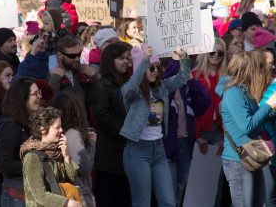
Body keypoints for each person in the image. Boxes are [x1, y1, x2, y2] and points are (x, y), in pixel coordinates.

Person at [120, 45, 190, 207]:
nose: (154, 71)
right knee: (142, 203)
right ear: (141, 69)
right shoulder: (131, 92)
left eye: (157, 68)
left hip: (159, 150)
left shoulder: (162, 87)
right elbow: (131, 85)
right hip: (137, 151)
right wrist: (145, 60)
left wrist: (184, 58)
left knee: (168, 202)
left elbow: (183, 77)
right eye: (150, 68)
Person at [217, 51, 276, 206]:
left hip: (251, 156)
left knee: (258, 202)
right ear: (247, 70)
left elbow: (256, 121)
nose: (260, 70)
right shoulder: (233, 93)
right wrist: (270, 105)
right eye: (257, 67)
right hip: (238, 161)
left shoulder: (244, 90)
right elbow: (247, 126)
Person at [162, 58, 211, 207]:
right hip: (168, 144)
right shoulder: (164, 87)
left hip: (185, 143)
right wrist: (176, 66)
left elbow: (204, 101)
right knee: (168, 194)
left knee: (179, 192)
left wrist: (191, 81)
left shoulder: (186, 88)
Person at [92, 42, 132, 207]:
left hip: (126, 152)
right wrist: (122, 133)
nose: (126, 61)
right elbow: (102, 115)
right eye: (121, 58)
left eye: (128, 58)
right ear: (111, 60)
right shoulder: (102, 85)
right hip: (109, 154)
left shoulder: (127, 82)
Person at [20, 106, 82, 207]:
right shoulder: (32, 157)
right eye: (57, 127)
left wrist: (66, 155)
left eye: (61, 126)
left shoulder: (57, 151)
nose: (61, 130)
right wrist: (67, 203)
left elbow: (72, 177)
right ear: (43, 129)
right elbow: (40, 195)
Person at [0, 77, 41, 207]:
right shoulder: (12, 126)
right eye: (35, 94)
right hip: (16, 195)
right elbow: (4, 164)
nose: (39, 97)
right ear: (23, 97)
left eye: (39, 92)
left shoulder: (30, 124)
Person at [51, 92, 96, 207]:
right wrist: (92, 143)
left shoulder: (57, 134)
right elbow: (85, 167)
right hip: (77, 194)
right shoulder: (72, 134)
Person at [49, 36, 100, 125]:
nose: (76, 59)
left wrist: (94, 77)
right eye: (72, 56)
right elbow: (50, 103)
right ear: (60, 55)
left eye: (79, 54)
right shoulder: (52, 75)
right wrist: (55, 79)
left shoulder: (82, 73)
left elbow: (95, 99)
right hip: (63, 129)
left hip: (84, 127)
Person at [193, 38, 227, 154]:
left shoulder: (227, 78)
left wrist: (225, 135)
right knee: (199, 171)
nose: (216, 55)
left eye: (220, 53)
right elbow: (190, 108)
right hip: (199, 131)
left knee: (217, 171)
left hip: (220, 132)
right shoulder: (194, 76)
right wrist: (197, 135)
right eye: (212, 52)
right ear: (205, 53)